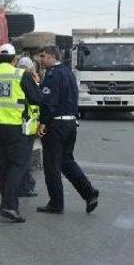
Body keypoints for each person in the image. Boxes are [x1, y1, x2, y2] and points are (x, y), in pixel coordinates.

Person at [0, 44, 41, 223]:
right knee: (18, 165)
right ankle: (9, 206)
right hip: (16, 127)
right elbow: (37, 98)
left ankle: (7, 204)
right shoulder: (20, 75)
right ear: (14, 59)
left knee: (3, 167)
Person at [36, 45, 99, 215]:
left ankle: (56, 203)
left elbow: (49, 102)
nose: (40, 60)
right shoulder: (68, 73)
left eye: (43, 56)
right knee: (67, 162)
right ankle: (89, 192)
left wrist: (43, 123)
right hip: (71, 123)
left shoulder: (52, 75)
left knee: (52, 166)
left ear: (52, 56)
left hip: (56, 125)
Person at [15, 56, 40, 198]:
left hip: (18, 123)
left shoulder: (16, 80)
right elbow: (38, 99)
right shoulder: (30, 81)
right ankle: (26, 186)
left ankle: (25, 185)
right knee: (25, 158)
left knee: (21, 157)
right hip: (29, 124)